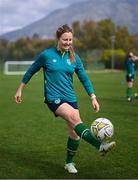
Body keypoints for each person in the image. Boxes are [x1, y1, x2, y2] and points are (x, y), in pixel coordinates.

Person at [15, 24, 116, 174]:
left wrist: (93, 97)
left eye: (70, 40)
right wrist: (20, 89)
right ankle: (100, 145)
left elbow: (84, 78)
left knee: (74, 132)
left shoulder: (74, 57)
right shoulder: (47, 55)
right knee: (75, 118)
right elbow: (31, 71)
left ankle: (69, 163)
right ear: (58, 39)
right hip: (53, 97)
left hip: (70, 97)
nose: (68, 43)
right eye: (65, 40)